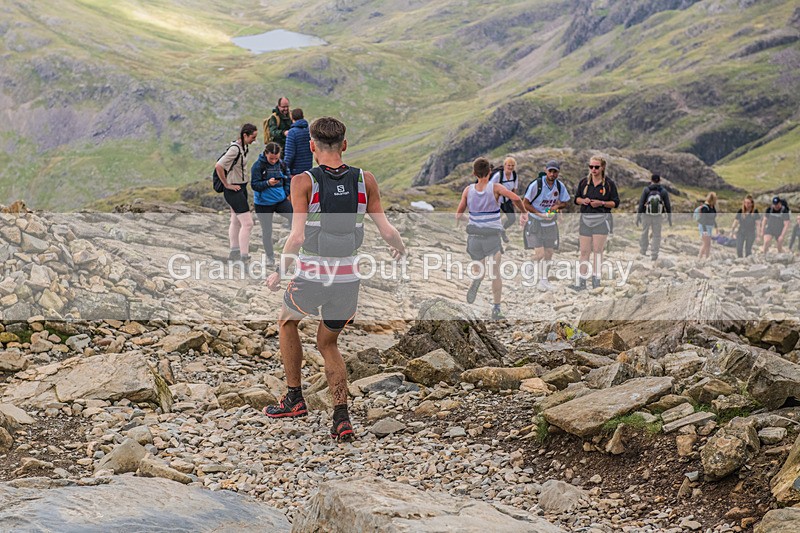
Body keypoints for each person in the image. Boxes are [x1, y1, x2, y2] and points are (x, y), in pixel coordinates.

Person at [264, 117, 406, 441]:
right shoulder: (364, 180)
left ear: (312, 147)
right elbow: (387, 230)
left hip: (312, 275)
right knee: (328, 342)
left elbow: (297, 237)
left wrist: (279, 271)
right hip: (347, 279)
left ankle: (294, 398)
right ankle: (341, 419)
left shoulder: (303, 182)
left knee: (287, 321)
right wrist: (400, 248)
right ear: (344, 145)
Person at [457, 157, 524, 319]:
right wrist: (524, 212)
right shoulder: (496, 188)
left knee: (479, 270)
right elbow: (515, 198)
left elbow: (458, 215)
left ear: (474, 173)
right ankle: (496, 309)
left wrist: (472, 220)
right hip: (491, 237)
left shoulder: (468, 190)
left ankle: (477, 279)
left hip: (474, 237)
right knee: (495, 274)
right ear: (489, 172)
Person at [572, 156, 620, 290]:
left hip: (601, 220)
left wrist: (602, 203)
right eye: (591, 167)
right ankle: (581, 282)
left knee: (598, 251)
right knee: (584, 251)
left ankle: (596, 281)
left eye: (596, 167)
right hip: (585, 220)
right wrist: (583, 201)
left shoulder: (609, 184)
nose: (593, 169)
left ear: (603, 167)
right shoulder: (583, 183)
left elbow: (615, 203)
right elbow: (576, 199)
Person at [522, 160, 570, 291]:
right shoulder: (536, 185)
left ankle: (544, 280)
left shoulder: (559, 186)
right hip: (535, 222)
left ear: (558, 173)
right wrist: (539, 214)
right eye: (550, 171)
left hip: (550, 223)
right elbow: (525, 203)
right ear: (546, 170)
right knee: (540, 254)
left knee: (549, 253)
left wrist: (557, 206)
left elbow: (566, 202)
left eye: (555, 172)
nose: (553, 174)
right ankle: (529, 264)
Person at [215, 123, 258, 261]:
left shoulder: (243, 147)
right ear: (245, 135)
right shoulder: (235, 149)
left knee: (235, 221)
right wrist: (226, 184)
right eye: (252, 137)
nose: (254, 140)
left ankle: (234, 252)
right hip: (234, 190)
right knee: (248, 223)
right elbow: (219, 166)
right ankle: (243, 255)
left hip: (241, 187)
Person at [251, 142, 293, 266]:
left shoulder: (282, 164)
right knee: (267, 231)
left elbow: (288, 179)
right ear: (266, 154)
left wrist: (285, 193)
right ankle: (270, 257)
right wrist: (268, 183)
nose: (274, 161)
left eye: (276, 158)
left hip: (280, 201)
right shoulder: (258, 166)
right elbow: (254, 185)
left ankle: (293, 248)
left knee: (295, 216)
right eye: (271, 158)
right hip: (263, 204)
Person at [636, 174, 672, 261]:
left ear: (651, 180)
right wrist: (669, 218)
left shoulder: (646, 190)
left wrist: (638, 216)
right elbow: (667, 205)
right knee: (656, 235)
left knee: (645, 232)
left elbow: (641, 204)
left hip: (646, 215)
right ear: (659, 181)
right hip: (658, 216)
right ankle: (654, 254)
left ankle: (643, 250)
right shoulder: (663, 191)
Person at [489, 157, 519, 242]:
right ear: (504, 165)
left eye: (512, 165)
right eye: (508, 165)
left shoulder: (515, 175)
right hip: (497, 201)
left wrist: (514, 201)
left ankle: (502, 230)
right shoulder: (499, 175)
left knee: (512, 218)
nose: (510, 167)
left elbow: (514, 189)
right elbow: (490, 187)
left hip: (507, 200)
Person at [284, 108, 314, 179]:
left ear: (292, 117)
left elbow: (290, 154)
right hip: (308, 170)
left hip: (295, 172)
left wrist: (283, 168)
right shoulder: (309, 131)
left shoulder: (292, 132)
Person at [696, 192, 717, 260]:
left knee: (709, 244)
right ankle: (699, 257)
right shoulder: (705, 207)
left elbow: (713, 217)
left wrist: (716, 226)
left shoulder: (712, 207)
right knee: (705, 243)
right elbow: (703, 219)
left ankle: (707, 258)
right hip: (704, 226)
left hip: (710, 226)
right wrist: (704, 230)